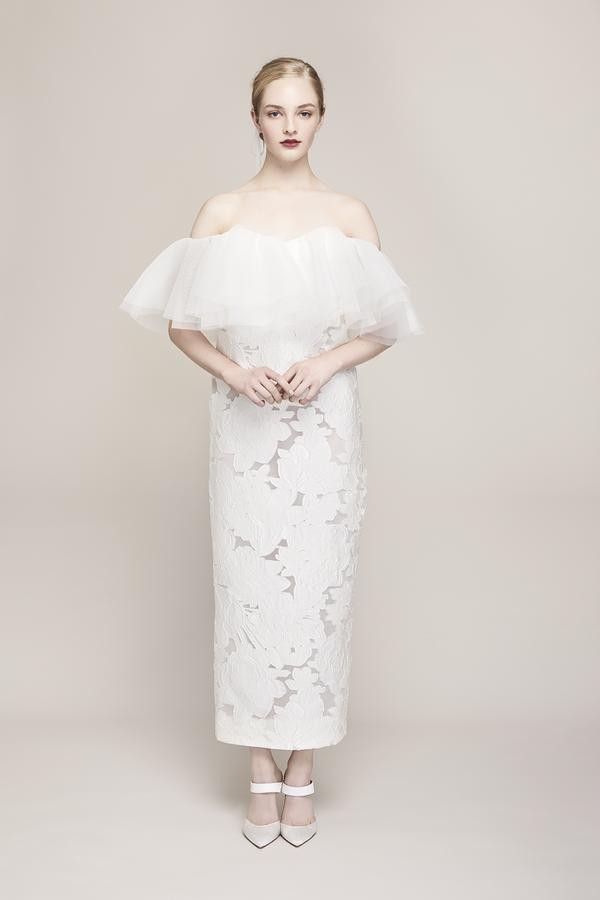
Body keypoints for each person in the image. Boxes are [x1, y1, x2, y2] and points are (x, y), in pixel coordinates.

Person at [119, 56, 423, 848]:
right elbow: (184, 325)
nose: (291, 125)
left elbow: (383, 324)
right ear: (253, 118)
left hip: (326, 430)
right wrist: (234, 373)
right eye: (276, 111)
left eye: (305, 111)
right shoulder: (222, 211)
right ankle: (260, 768)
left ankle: (304, 770)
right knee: (249, 592)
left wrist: (324, 364)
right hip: (245, 431)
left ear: (322, 118)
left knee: (321, 590)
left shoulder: (349, 213)